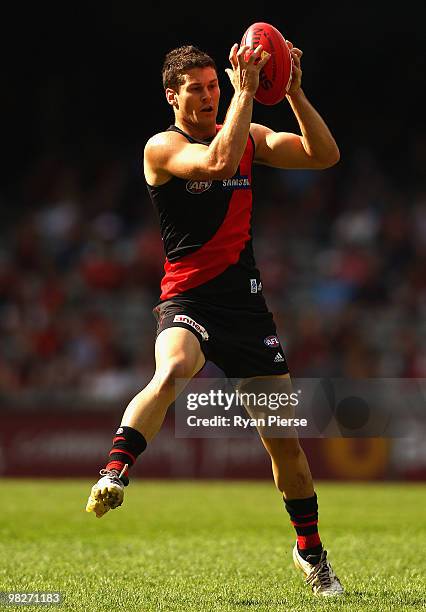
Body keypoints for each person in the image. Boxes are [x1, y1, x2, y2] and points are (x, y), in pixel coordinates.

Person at [86, 38, 343, 597]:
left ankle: (311, 552)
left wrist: (294, 91)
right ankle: (115, 471)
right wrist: (244, 97)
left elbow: (323, 156)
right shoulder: (162, 147)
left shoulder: (246, 133)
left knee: (287, 449)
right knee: (174, 368)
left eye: (213, 86)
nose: (208, 96)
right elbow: (216, 161)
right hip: (189, 301)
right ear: (171, 97)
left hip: (246, 309)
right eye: (197, 89)